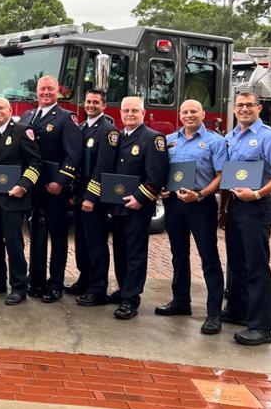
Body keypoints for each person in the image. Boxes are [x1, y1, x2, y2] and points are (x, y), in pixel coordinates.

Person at [221, 91, 271, 346]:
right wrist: (223, 209)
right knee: (236, 263)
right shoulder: (230, 137)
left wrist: (258, 192)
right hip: (236, 207)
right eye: (240, 106)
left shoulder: (268, 137)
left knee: (257, 267)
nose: (244, 109)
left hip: (257, 206)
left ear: (259, 108)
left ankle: (261, 327)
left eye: (249, 105)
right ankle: (238, 311)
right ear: (234, 110)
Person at [156, 99, 226, 335]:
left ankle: (214, 313)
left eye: (193, 111)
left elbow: (220, 175)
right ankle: (180, 301)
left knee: (208, 256)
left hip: (200, 204)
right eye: (184, 111)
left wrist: (201, 195)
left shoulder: (215, 141)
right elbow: (164, 171)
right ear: (180, 114)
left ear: (203, 114)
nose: (188, 115)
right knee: (179, 254)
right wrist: (163, 189)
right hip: (174, 204)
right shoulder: (170, 141)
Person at [0, 97, 41, 305]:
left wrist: (23, 186)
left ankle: (19, 287)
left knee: (13, 244)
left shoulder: (22, 131)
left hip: (14, 199)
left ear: (10, 110)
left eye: (1, 108)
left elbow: (35, 163)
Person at [22, 75, 83, 302]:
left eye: (50, 89)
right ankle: (35, 279)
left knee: (58, 237)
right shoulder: (28, 115)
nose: (45, 93)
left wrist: (60, 181)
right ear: (36, 91)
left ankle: (55, 283)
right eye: (42, 89)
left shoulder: (67, 118)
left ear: (58, 91)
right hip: (33, 187)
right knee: (36, 233)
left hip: (55, 188)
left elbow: (74, 154)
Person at [109, 96, 169, 320]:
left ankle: (131, 299)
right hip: (117, 205)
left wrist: (140, 199)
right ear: (120, 113)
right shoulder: (117, 137)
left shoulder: (153, 139)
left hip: (137, 206)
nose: (130, 114)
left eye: (135, 111)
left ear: (143, 113)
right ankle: (123, 288)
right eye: (126, 111)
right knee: (120, 251)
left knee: (135, 253)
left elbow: (157, 175)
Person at [75, 89, 119, 307]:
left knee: (96, 243)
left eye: (95, 102)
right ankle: (85, 280)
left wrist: (91, 196)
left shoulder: (107, 131)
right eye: (88, 102)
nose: (91, 105)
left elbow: (104, 167)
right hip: (80, 191)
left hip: (95, 195)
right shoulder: (83, 127)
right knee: (82, 241)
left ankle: (98, 289)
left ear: (104, 106)